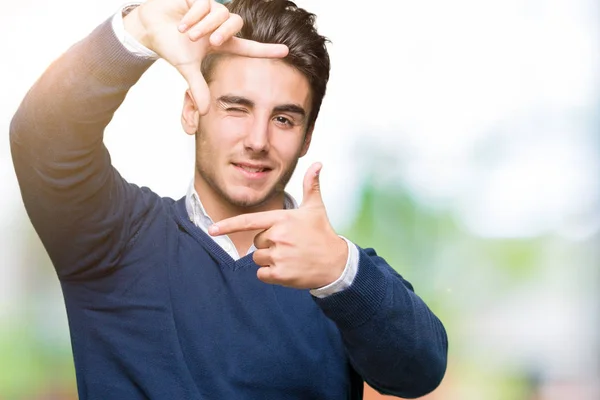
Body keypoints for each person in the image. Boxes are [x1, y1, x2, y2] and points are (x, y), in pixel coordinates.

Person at [9, 0, 448, 398]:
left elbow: (419, 371)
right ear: (191, 109)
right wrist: (136, 30)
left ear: (307, 137)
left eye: (283, 118)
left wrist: (339, 270)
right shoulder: (111, 238)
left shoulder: (335, 274)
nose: (258, 140)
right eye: (236, 108)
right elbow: (43, 140)